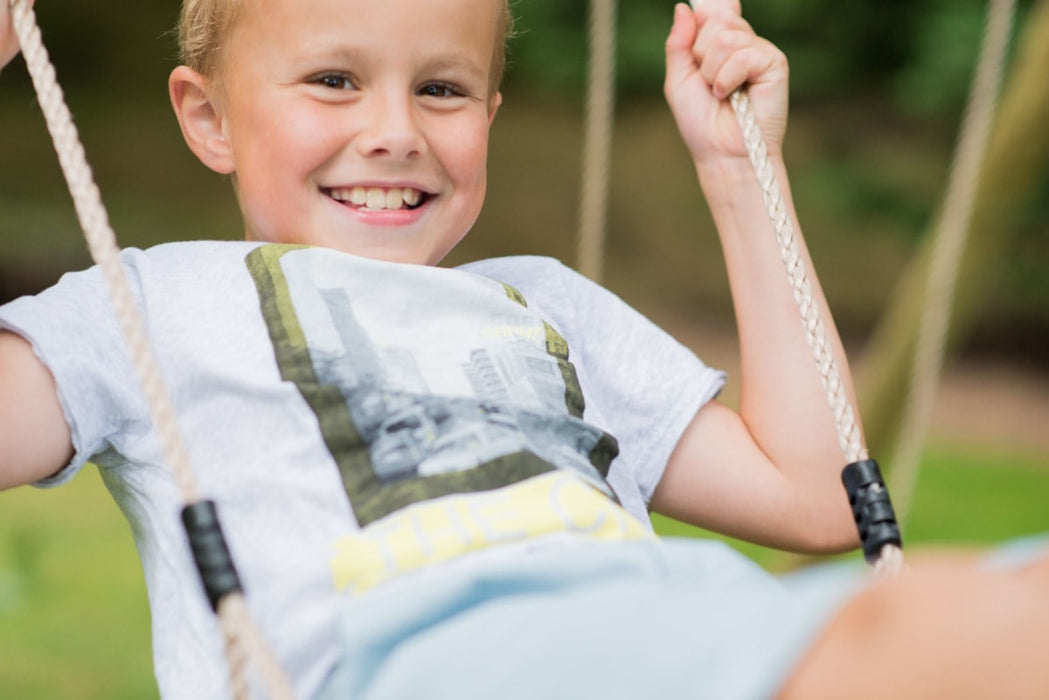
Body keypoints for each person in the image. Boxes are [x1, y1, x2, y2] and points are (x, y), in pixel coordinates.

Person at [1, 0, 1046, 698]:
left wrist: (737, 172)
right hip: (416, 658)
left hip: (663, 622)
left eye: (442, 90)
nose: (395, 129)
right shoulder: (148, 302)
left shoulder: (542, 303)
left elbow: (817, 497)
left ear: (490, 113)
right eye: (332, 80)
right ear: (207, 116)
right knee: (942, 639)